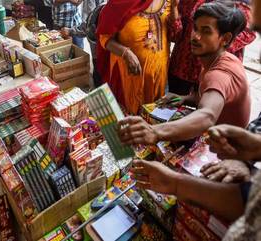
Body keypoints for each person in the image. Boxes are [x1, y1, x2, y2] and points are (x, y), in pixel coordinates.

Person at [118, 1, 250, 145]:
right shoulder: (213, 59)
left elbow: (207, 115)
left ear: (225, 39)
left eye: (206, 31)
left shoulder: (219, 73)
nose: (195, 37)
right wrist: (185, 98)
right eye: (195, 29)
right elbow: (207, 97)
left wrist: (154, 131)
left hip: (226, 149)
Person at [96, 0, 174, 114]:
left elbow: (175, 34)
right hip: (129, 78)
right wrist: (126, 53)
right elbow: (104, 37)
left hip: (159, 76)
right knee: (129, 121)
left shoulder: (170, 2)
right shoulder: (118, 3)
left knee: (153, 118)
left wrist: (176, 10)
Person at [167, 0, 256, 95]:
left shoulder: (239, 5)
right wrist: (174, 11)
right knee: (173, 105)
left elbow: (249, 32)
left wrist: (215, 45)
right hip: (182, 67)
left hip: (214, 68)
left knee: (212, 101)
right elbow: (175, 35)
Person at [60, 2, 105, 87]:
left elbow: (89, 27)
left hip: (103, 55)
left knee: (101, 78)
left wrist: (71, 31)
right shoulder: (103, 8)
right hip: (102, 55)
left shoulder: (103, 9)